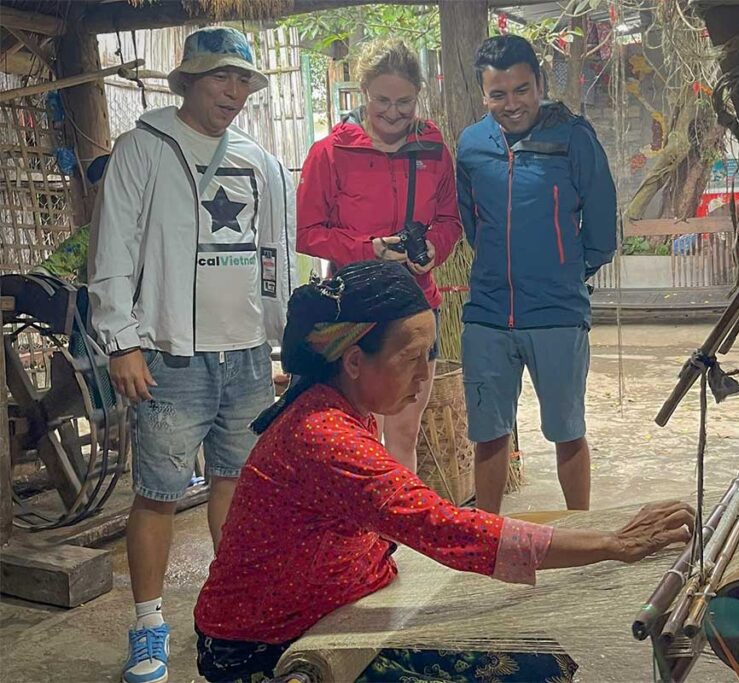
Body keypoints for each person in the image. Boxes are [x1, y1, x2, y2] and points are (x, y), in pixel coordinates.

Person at [191, 260, 692, 682]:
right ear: (353, 361)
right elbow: (447, 528)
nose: (426, 375)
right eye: (411, 358)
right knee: (531, 672)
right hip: (261, 649)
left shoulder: (337, 403)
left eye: (428, 354)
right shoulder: (325, 437)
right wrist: (612, 545)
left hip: (335, 604)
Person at [88, 27, 296, 683]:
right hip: (169, 354)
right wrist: (121, 339)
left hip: (245, 356)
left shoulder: (260, 162)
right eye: (219, 79)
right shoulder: (144, 148)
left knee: (236, 485)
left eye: (242, 80)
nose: (233, 92)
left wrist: (282, 341)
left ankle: (228, 613)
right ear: (189, 81)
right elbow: (113, 249)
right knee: (156, 492)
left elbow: (274, 260)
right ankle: (149, 624)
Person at [456, 35, 617, 514]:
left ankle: (580, 532)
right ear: (483, 95)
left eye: (522, 90)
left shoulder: (573, 137)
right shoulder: (470, 145)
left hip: (557, 315)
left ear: (540, 84)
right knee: (488, 433)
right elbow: (472, 224)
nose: (512, 104)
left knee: (567, 431)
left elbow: (603, 227)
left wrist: (567, 271)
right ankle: (485, 537)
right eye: (498, 94)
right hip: (486, 314)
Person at [296, 38, 462, 471]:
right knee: (354, 432)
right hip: (356, 310)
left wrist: (433, 247)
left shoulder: (434, 152)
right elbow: (309, 234)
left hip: (417, 306)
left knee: (404, 432)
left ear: (418, 96)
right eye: (382, 100)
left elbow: (450, 220)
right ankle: (357, 536)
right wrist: (365, 250)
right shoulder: (330, 153)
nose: (393, 112)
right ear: (364, 92)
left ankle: (395, 535)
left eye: (404, 102)